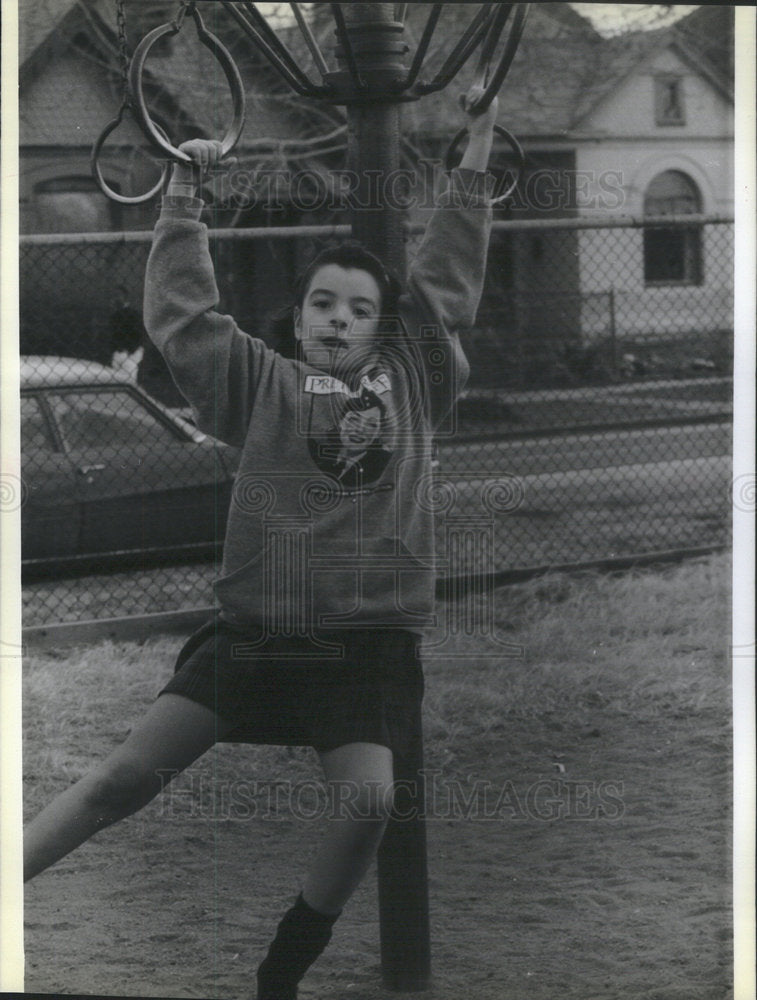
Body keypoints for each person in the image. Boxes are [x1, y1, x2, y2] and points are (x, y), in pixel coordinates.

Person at [23, 88, 498, 1000]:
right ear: (298, 315)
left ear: (383, 329)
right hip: (259, 635)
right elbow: (185, 320)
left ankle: (285, 962)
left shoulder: (414, 387)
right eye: (322, 302)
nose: (337, 319)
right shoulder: (261, 385)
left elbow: (445, 280)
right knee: (122, 780)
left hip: (364, 647)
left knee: (368, 800)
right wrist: (182, 196)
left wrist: (473, 153)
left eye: (359, 309)